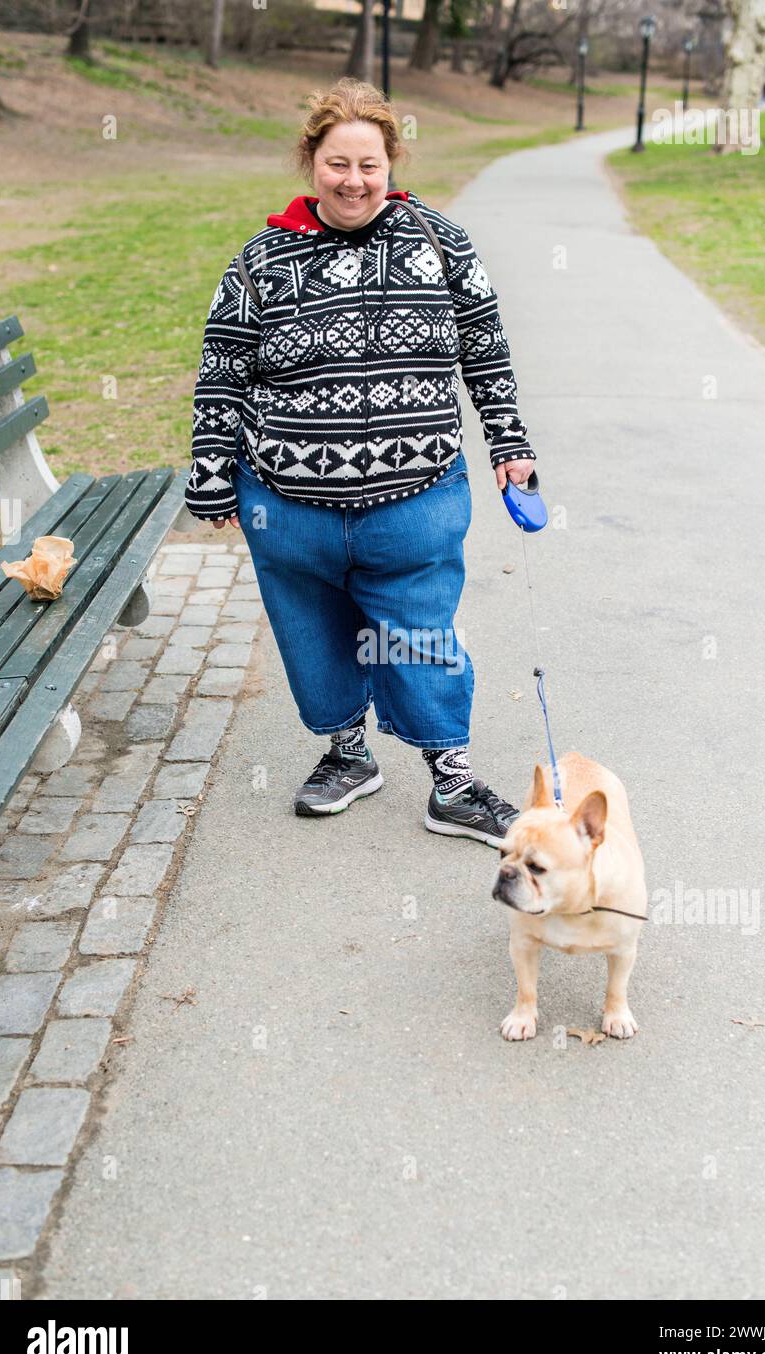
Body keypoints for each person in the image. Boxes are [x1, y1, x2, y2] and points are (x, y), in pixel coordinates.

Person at [186, 77, 538, 848]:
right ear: (310, 161)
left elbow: (485, 349)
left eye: (368, 165)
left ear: (391, 162)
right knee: (311, 630)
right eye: (336, 163)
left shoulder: (440, 242)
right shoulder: (260, 260)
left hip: (414, 497)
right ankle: (347, 757)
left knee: (417, 631)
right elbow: (222, 371)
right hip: (289, 505)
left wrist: (509, 444)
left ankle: (450, 779)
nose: (353, 181)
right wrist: (211, 467)